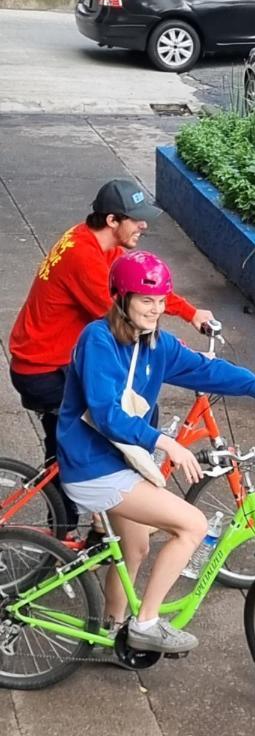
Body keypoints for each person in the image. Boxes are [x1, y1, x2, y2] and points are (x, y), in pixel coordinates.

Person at [57, 251, 255, 654]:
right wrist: (166, 443)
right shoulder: (98, 340)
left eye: (162, 301)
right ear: (121, 298)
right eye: (146, 300)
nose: (156, 309)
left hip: (119, 460)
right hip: (93, 466)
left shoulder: (156, 345)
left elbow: (209, 370)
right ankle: (146, 623)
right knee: (192, 526)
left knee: (136, 547)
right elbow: (106, 413)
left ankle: (112, 628)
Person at [9, 178, 214, 529]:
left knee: (122, 419)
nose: (144, 225)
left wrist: (190, 313)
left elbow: (139, 287)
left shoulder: (97, 243)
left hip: (54, 359)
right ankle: (64, 532)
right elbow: (123, 316)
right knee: (100, 431)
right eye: (136, 219)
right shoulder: (83, 258)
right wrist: (175, 351)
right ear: (112, 221)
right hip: (43, 369)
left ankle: (105, 515)